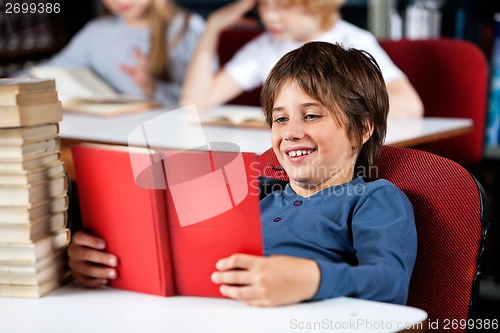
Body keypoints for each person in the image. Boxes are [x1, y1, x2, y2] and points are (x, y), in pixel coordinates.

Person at [209, 41, 417, 307]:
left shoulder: (372, 199)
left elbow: (390, 284)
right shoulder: (256, 192)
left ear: (362, 129)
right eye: (280, 119)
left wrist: (311, 281)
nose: (290, 133)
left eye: (311, 116)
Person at [180, 0, 423, 118]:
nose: (270, 16)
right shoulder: (266, 46)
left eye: (284, 6)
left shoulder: (353, 41)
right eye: (263, 5)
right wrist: (212, 28)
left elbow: (410, 105)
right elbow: (194, 102)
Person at [32, 0, 205, 105]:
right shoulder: (97, 31)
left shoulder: (188, 28)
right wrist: (15, 82)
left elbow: (207, 100)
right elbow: (53, 68)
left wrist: (153, 88)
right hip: (111, 131)